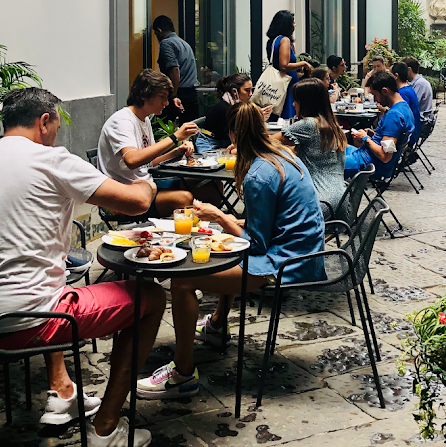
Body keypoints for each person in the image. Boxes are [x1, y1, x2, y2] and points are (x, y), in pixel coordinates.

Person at [0, 88, 166, 447]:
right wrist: (148, 182)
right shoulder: (51, 159)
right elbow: (138, 203)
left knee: (55, 278)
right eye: (56, 125)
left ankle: (63, 392)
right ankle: (105, 431)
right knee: (150, 298)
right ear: (44, 121)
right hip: (20, 323)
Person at [136, 103, 325, 398]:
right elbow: (270, 221)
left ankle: (183, 374)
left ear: (233, 136)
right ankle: (216, 326)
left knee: (183, 281)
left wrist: (221, 217)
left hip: (284, 263)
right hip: (303, 251)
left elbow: (257, 244)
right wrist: (227, 222)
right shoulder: (282, 156)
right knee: (223, 245)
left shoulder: (259, 175)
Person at [98, 69, 199, 217]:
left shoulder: (145, 119)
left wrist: (176, 152)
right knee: (184, 198)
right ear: (144, 95)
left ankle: (204, 235)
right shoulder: (122, 121)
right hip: (124, 195)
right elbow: (132, 160)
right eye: (162, 97)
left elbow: (148, 162)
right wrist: (174, 137)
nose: (166, 103)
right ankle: (174, 236)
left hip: (146, 186)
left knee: (208, 186)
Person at [278, 78, 347, 212]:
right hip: (339, 201)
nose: (293, 104)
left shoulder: (308, 125)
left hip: (318, 203)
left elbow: (266, 142)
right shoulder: (330, 124)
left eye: (296, 100)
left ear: (305, 103)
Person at [344, 70, 414, 181]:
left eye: (375, 95)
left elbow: (385, 156)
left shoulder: (394, 116)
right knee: (340, 150)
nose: (375, 100)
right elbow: (391, 139)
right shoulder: (404, 108)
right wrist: (375, 135)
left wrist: (365, 138)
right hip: (366, 157)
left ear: (385, 91)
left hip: (366, 164)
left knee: (325, 164)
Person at [152, 16, 199, 122]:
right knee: (189, 131)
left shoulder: (166, 43)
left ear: (159, 31)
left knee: (164, 130)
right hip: (192, 94)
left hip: (179, 94)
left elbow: (174, 70)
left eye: (156, 33)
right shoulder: (184, 44)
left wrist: (173, 95)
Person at [266, 10, 310, 122]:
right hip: (286, 84)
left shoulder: (272, 41)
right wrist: (303, 63)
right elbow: (284, 65)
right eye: (293, 22)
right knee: (287, 116)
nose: (294, 25)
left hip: (278, 84)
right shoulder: (284, 40)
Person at [391, 61, 422, 147]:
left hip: (408, 136)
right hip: (414, 131)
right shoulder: (409, 89)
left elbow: (402, 115)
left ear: (396, 76)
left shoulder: (402, 93)